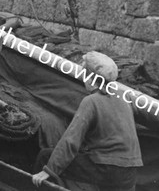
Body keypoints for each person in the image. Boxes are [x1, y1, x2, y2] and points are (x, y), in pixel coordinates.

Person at [31, 52, 143, 190]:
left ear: (90, 78)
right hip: (130, 174)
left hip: (108, 171)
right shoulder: (125, 97)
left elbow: (71, 140)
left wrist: (48, 171)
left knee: (45, 156)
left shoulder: (91, 101)